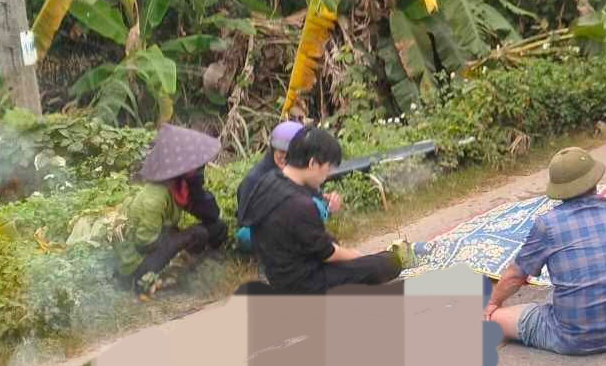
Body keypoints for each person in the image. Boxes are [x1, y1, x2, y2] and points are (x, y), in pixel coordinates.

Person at [483, 147, 606, 356]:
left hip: (574, 339)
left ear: (559, 189)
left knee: (495, 317)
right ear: (594, 179)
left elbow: (516, 276)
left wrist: (493, 303)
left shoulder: (547, 225)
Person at [235, 126, 412, 292]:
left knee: (343, 251)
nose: (327, 175)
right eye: (327, 168)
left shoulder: (269, 180)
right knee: (384, 264)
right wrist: (356, 256)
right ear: (313, 163)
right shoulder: (299, 205)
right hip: (303, 284)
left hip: (277, 273)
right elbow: (327, 253)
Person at [115, 124, 229, 295]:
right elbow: (144, 243)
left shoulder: (179, 186)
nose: (200, 168)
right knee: (196, 233)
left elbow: (211, 215)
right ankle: (154, 281)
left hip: (160, 245)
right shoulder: (155, 197)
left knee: (217, 228)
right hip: (138, 264)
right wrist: (181, 238)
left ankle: (193, 265)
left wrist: (196, 187)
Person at [234, 121, 341, 250]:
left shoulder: (300, 169)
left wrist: (328, 204)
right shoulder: (255, 178)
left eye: (289, 152)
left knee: (318, 207)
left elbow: (312, 197)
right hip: (262, 228)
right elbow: (244, 219)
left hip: (290, 223)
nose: (283, 156)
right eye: (280, 151)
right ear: (272, 149)